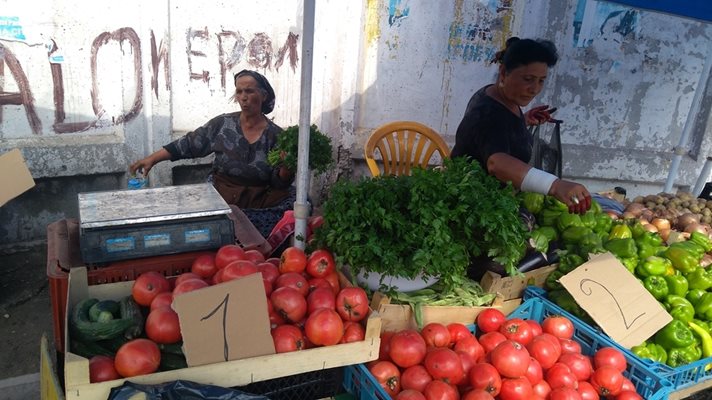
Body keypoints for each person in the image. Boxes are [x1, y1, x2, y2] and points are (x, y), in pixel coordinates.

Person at [129, 69, 296, 237]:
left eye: (250, 91)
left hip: (259, 199)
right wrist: (152, 159)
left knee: (295, 208)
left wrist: (287, 168)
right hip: (223, 193)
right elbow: (188, 144)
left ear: (264, 96)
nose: (243, 97)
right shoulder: (222, 124)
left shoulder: (277, 136)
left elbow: (279, 183)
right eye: (239, 91)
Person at [451, 37, 591, 215]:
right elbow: (497, 163)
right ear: (503, 73)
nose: (535, 89)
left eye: (541, 80)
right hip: (472, 208)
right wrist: (555, 185)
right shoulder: (487, 113)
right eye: (528, 79)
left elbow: (494, 134)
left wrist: (522, 120)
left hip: (492, 201)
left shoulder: (502, 96)